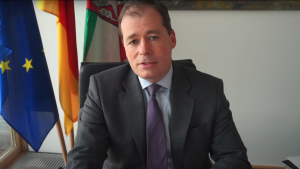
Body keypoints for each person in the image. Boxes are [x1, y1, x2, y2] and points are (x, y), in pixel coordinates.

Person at [66, 1, 252, 169]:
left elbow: (233, 157)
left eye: (153, 37)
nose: (143, 50)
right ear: (124, 47)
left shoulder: (210, 89)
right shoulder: (101, 88)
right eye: (133, 41)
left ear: (171, 39)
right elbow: (84, 157)